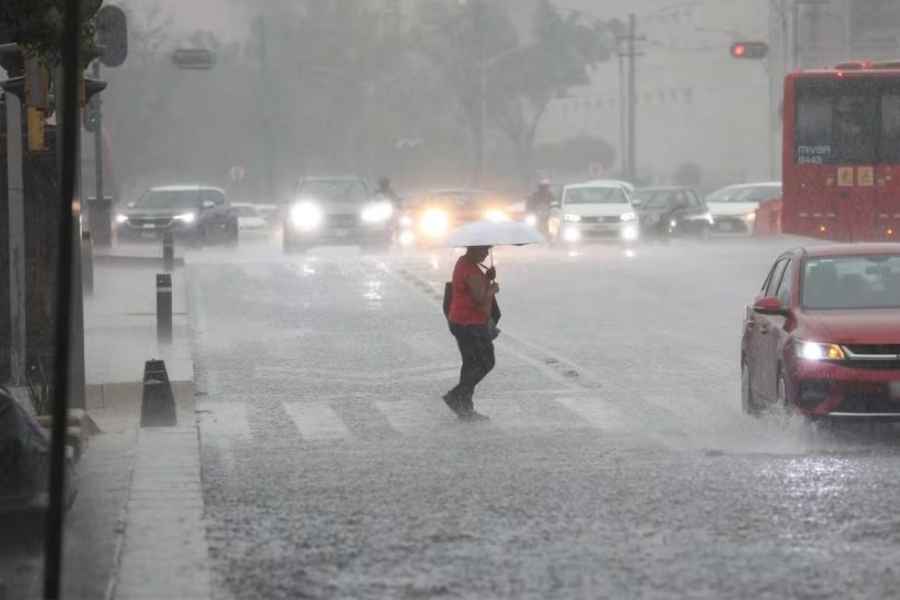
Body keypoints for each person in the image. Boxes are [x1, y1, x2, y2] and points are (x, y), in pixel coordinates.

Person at [443, 246, 499, 421]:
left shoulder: (464, 263)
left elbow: (473, 289)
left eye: (487, 250)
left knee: (470, 364)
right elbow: (479, 298)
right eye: (483, 251)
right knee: (486, 362)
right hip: (471, 323)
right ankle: (457, 395)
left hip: (460, 321)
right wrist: (493, 289)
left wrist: (487, 277)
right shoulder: (470, 269)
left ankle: (465, 408)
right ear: (473, 249)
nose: (486, 254)